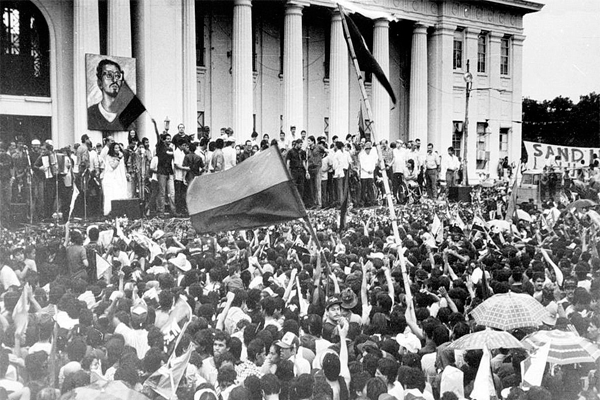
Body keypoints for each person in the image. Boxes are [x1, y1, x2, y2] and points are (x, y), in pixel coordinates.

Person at [87, 59, 129, 131]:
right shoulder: (91, 113)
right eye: (109, 75)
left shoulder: (128, 114)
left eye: (117, 76)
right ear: (100, 83)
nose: (114, 80)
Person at [102, 142, 128, 215]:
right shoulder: (109, 157)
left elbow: (123, 166)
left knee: (120, 193)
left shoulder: (121, 156)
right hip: (111, 179)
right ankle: (110, 211)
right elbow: (113, 166)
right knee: (112, 194)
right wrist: (118, 159)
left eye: (118, 148)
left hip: (120, 178)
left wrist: (126, 173)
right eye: (116, 148)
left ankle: (120, 211)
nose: (117, 149)